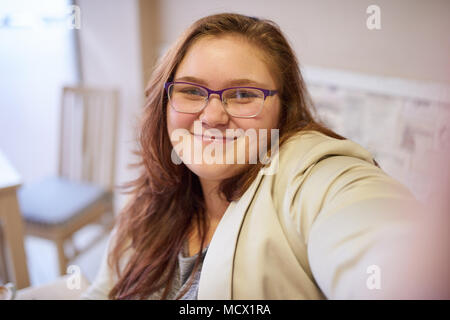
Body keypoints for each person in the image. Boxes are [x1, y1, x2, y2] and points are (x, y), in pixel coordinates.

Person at [81, 13, 437, 300]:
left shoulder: (309, 177)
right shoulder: (150, 202)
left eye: (242, 95)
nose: (213, 116)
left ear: (283, 112)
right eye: (191, 90)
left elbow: (380, 241)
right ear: (165, 102)